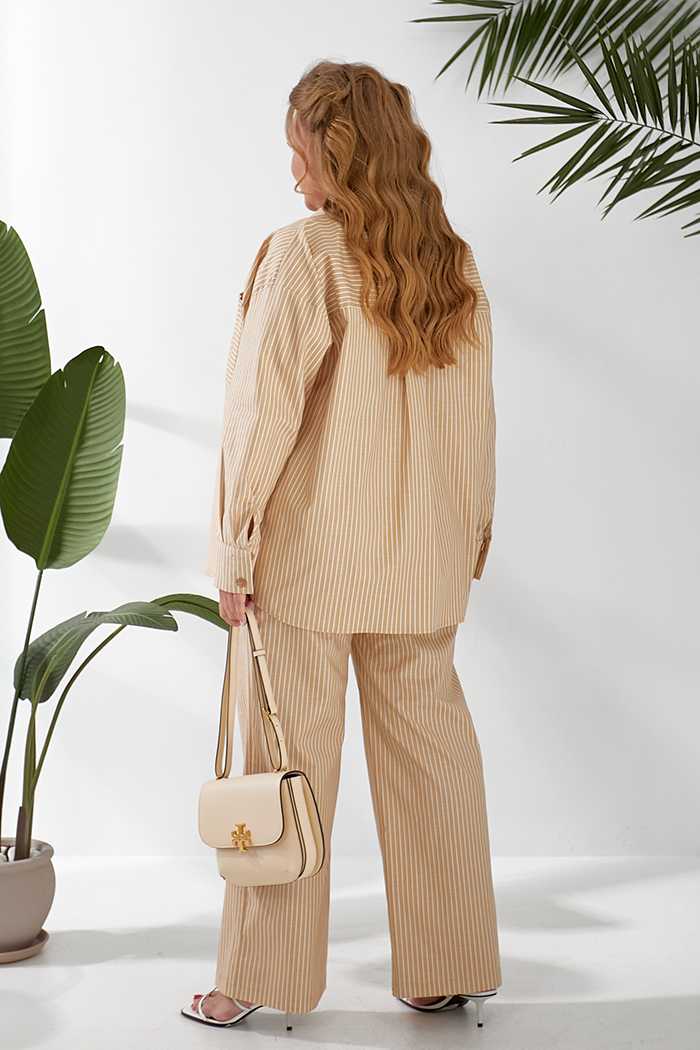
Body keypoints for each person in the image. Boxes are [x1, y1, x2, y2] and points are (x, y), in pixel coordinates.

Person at [183, 60, 501, 1029]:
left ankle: (259, 979)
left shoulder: (303, 255)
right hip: (421, 564)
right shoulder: (451, 265)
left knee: (285, 768)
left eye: (302, 150)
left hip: (307, 566)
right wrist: (469, 540)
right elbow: (477, 423)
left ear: (341, 152)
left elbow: (261, 415)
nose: (291, 170)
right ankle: (443, 965)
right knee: (432, 760)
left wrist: (237, 549)